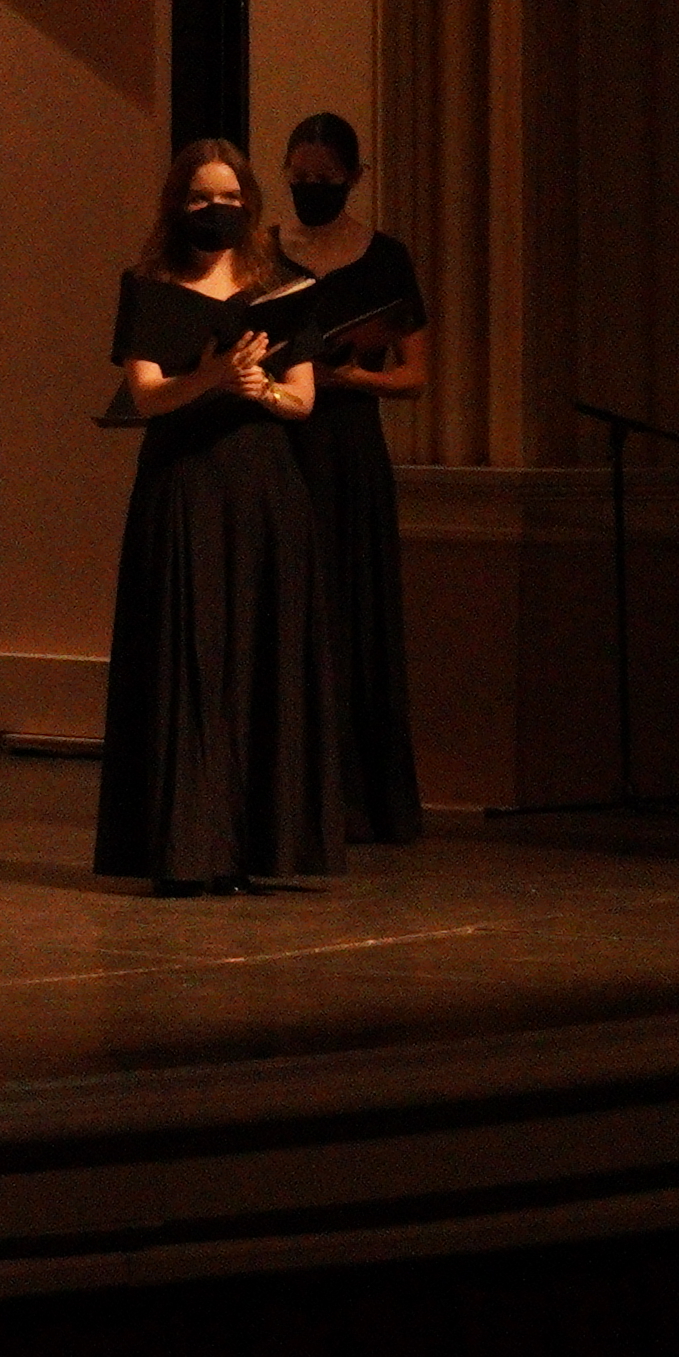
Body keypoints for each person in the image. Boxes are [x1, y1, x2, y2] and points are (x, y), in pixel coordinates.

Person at [94, 138, 354, 894]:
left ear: (250, 204)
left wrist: (257, 392)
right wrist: (213, 375)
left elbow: (302, 399)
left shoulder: (285, 287)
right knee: (190, 654)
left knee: (259, 653)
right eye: (203, 199)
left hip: (265, 487)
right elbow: (146, 396)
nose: (218, 211)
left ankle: (258, 845)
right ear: (179, 205)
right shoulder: (149, 286)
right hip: (185, 481)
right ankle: (186, 848)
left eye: (231, 199)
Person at [272, 109, 428, 839]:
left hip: (351, 449)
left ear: (355, 178)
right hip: (285, 442)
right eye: (300, 179)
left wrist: (351, 379)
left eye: (326, 180)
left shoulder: (384, 257)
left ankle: (363, 800)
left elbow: (416, 377)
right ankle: (285, 791)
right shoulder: (266, 252)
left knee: (353, 610)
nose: (311, 190)